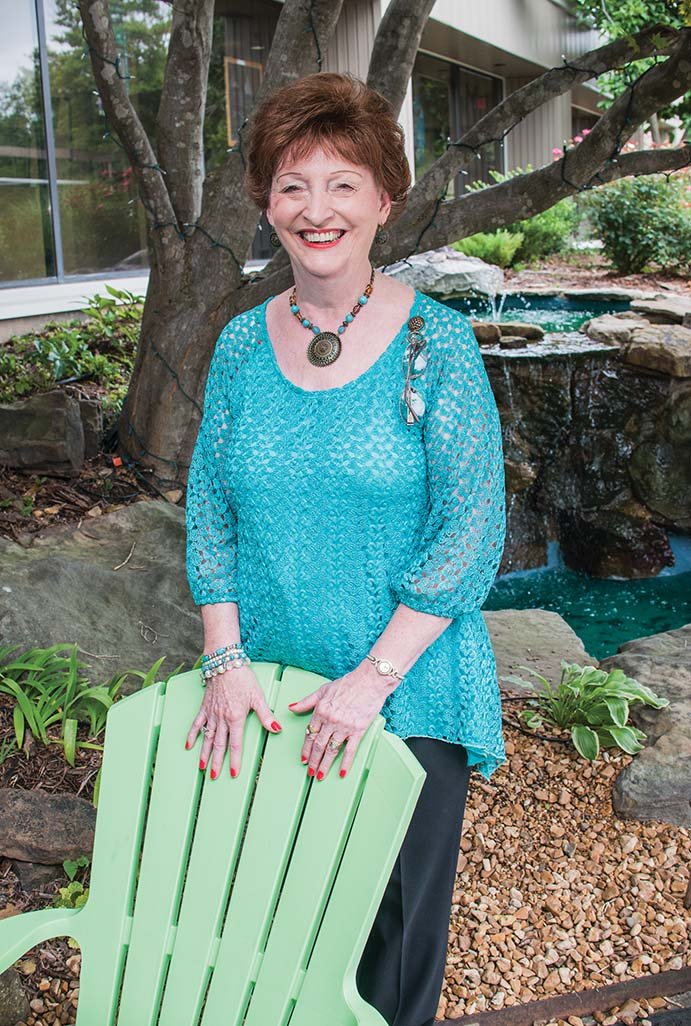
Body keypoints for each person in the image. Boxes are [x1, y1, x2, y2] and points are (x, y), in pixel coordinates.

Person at [184, 71, 506, 1026]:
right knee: (281, 924)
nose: (315, 209)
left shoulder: (437, 345)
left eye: (342, 183)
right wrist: (224, 658)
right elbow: (209, 508)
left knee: (392, 949)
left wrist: (372, 682)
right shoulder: (241, 343)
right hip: (270, 690)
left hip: (406, 690)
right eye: (292, 185)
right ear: (266, 205)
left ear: (383, 201)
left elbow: (472, 524)